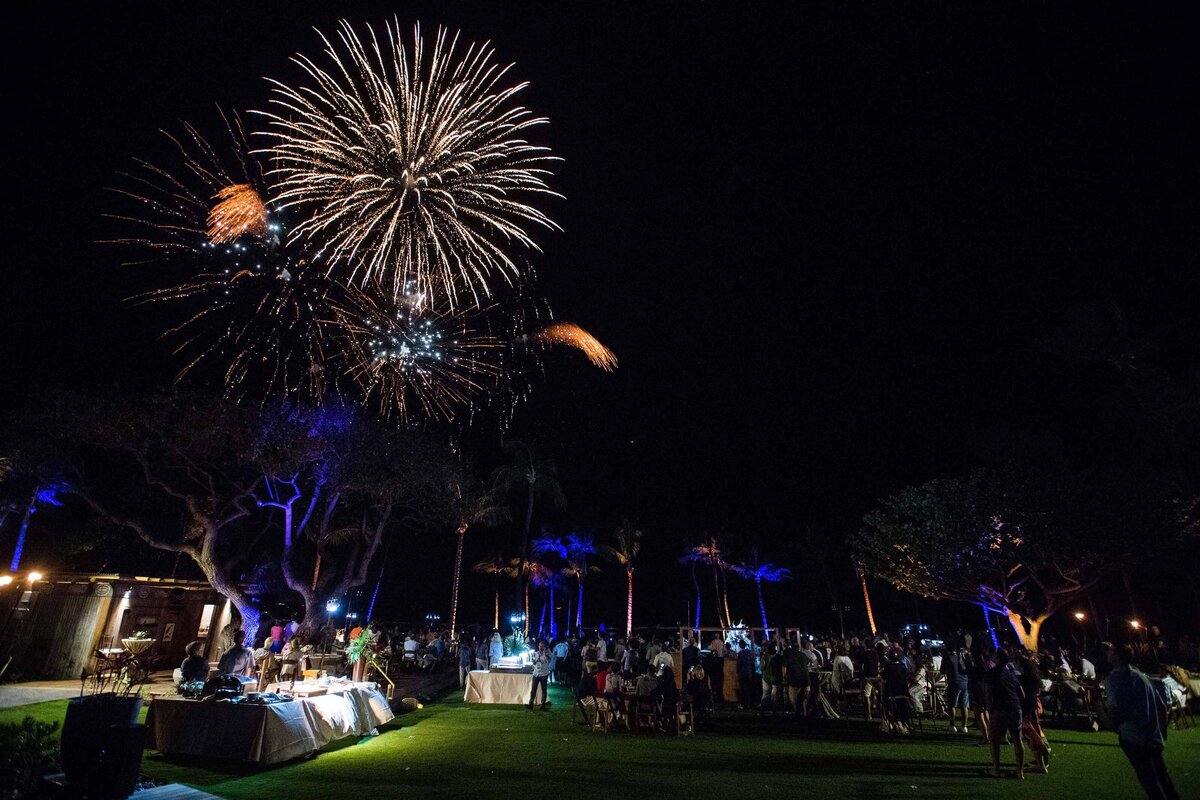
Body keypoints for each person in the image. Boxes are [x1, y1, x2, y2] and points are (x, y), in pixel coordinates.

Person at [1105, 643, 1179, 800]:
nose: (1107, 655)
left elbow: (1115, 707)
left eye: (1111, 652)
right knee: (1162, 779)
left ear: (1117, 656)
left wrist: (1112, 723)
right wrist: (1161, 731)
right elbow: (1161, 705)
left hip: (1133, 735)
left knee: (1150, 781)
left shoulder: (1115, 678)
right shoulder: (1143, 677)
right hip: (1153, 735)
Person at [985, 649, 1025, 779]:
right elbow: (1022, 693)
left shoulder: (992, 673)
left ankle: (996, 769)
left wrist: (989, 707)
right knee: (1018, 739)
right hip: (1015, 707)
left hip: (1000, 708)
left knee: (994, 739)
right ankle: (1020, 772)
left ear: (997, 658)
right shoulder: (1011, 673)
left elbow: (988, 692)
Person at [942, 645, 971, 733]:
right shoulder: (962, 658)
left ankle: (952, 725)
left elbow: (942, 671)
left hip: (954, 683)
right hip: (965, 682)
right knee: (964, 706)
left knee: (952, 705)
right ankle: (964, 726)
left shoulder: (947, 658)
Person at [527, 639, 552, 711]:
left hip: (544, 674)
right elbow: (535, 663)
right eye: (540, 646)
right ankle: (530, 704)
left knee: (544, 690)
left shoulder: (547, 652)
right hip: (536, 673)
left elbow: (548, 660)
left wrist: (545, 653)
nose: (540, 647)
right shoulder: (536, 653)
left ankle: (543, 704)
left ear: (545, 647)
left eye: (542, 646)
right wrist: (534, 662)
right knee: (533, 689)